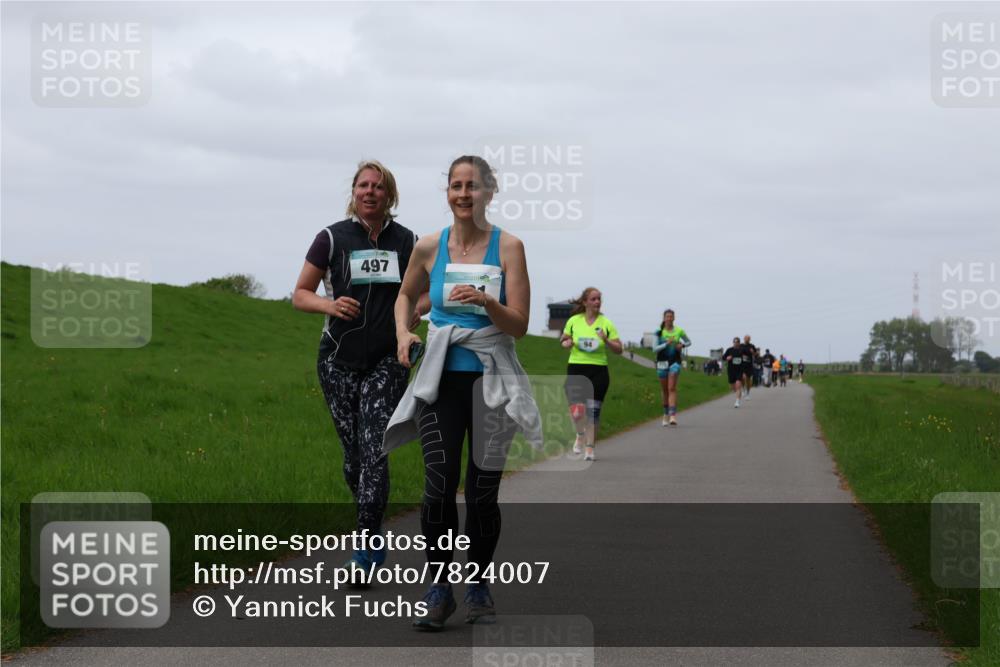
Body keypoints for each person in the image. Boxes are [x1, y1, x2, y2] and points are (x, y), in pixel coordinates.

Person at [387, 155, 536, 630]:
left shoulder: (509, 247)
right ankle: (438, 588)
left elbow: (520, 324)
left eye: (473, 186)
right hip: (441, 380)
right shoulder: (430, 246)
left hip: (492, 381)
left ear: (490, 191)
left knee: (482, 492)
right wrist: (403, 332)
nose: (464, 194)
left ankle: (477, 585)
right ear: (447, 191)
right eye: (456, 186)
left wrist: (489, 302)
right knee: (438, 487)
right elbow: (405, 296)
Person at [293, 160, 428, 576]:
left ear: (390, 195)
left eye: (379, 186)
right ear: (354, 192)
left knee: (374, 448)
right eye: (363, 185)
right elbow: (300, 293)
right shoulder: (332, 238)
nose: (370, 192)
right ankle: (373, 527)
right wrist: (330, 304)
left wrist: (414, 314)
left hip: (389, 357)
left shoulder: (409, 241)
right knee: (353, 457)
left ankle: (364, 548)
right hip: (337, 359)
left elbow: (426, 295)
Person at [560, 287, 623, 460]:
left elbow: (619, 349)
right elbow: (564, 339)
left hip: (598, 370)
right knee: (577, 411)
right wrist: (567, 343)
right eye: (593, 299)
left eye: (599, 299)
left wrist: (606, 340)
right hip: (576, 368)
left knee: (593, 412)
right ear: (585, 302)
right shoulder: (574, 321)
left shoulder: (606, 323)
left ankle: (589, 448)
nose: (597, 302)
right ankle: (580, 435)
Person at [651, 309, 691, 426]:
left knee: (672, 388)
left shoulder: (679, 331)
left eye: (671, 316)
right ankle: (665, 414)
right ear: (664, 318)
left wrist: (682, 345)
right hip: (662, 363)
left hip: (675, 362)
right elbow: (654, 349)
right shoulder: (658, 332)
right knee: (665, 390)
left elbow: (689, 342)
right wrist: (666, 344)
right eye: (667, 316)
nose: (669, 318)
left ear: (674, 318)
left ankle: (672, 415)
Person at [723, 337, 745, 408]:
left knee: (738, 385)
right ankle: (739, 392)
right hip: (731, 370)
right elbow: (723, 357)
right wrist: (727, 358)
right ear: (733, 342)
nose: (736, 343)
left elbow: (744, 361)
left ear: (739, 343)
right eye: (735, 342)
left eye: (737, 342)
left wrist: (744, 372)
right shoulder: (729, 350)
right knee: (732, 387)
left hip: (739, 370)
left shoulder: (742, 350)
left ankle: (737, 401)